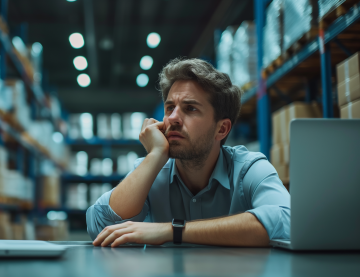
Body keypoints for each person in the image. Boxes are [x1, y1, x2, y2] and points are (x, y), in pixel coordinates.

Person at [86, 58, 290, 247]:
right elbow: (99, 227)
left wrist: (172, 231)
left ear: (222, 129)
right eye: (170, 108)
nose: (173, 118)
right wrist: (155, 155)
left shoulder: (248, 169)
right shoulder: (152, 169)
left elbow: (288, 222)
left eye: (190, 108)